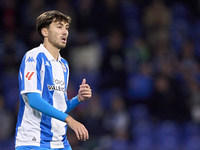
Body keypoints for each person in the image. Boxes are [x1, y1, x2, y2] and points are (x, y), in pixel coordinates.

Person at [15, 10, 92, 150]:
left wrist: (78, 99)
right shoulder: (33, 57)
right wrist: (70, 120)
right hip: (34, 142)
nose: (65, 32)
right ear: (45, 32)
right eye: (59, 26)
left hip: (60, 143)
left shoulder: (64, 65)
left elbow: (59, 107)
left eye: (67, 28)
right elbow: (33, 100)